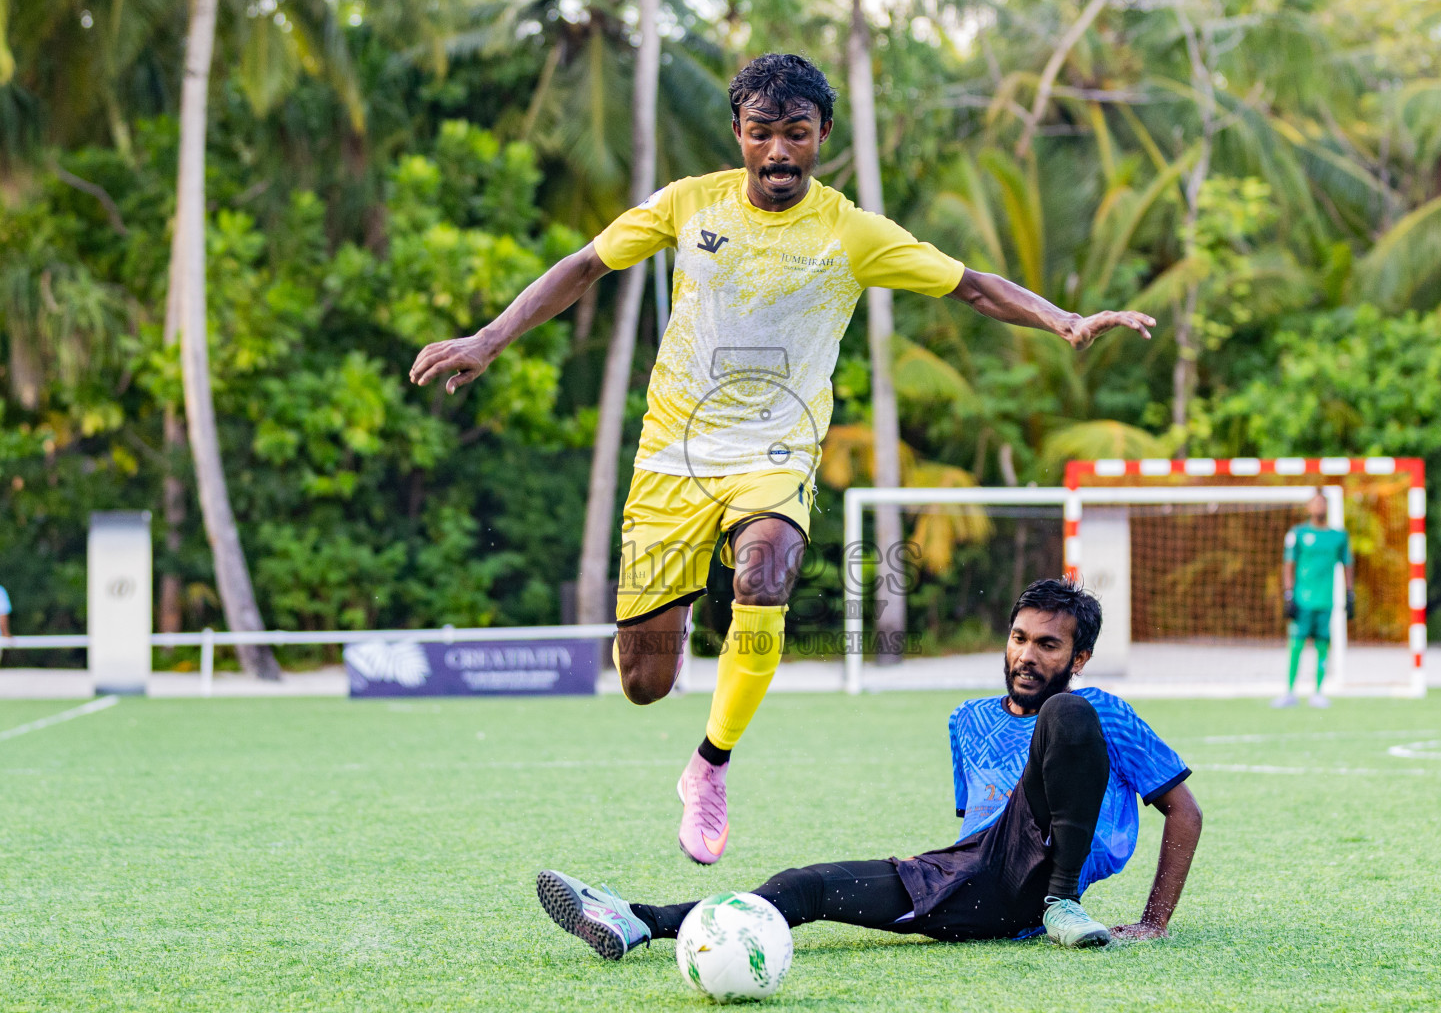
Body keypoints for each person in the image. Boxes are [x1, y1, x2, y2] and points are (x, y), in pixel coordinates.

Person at [409, 54, 1156, 865]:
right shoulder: (687, 204)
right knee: (643, 682)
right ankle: (686, 603)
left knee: (766, 575)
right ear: (738, 131)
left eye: (795, 135)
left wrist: (1062, 319)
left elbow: (970, 285)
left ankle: (710, 764)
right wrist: (488, 339)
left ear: (821, 136)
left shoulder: (851, 232)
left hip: (775, 451)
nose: (776, 154)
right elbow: (586, 265)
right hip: (673, 458)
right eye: (761, 134)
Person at [534, 578, 1202, 957]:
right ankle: (638, 920)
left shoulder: (1095, 710)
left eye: (1048, 645)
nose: (1027, 655)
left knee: (1067, 715)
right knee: (807, 886)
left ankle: (1062, 902)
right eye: (1019, 638)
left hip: (1044, 876)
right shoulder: (967, 718)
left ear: (1078, 657)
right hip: (978, 879)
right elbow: (980, 824)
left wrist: (1154, 920)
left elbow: (1185, 810)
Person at [1274, 490, 1354, 709]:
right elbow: (1288, 565)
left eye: (1322, 503)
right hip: (1302, 601)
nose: (1319, 506)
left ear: (1327, 506)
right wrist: (1288, 593)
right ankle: (1289, 691)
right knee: (1296, 645)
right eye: (1315, 502)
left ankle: (1318, 692)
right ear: (1308, 507)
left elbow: (1348, 565)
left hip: (1325, 602)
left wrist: (1350, 593)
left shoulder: (1338, 536)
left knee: (1322, 646)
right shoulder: (1298, 533)